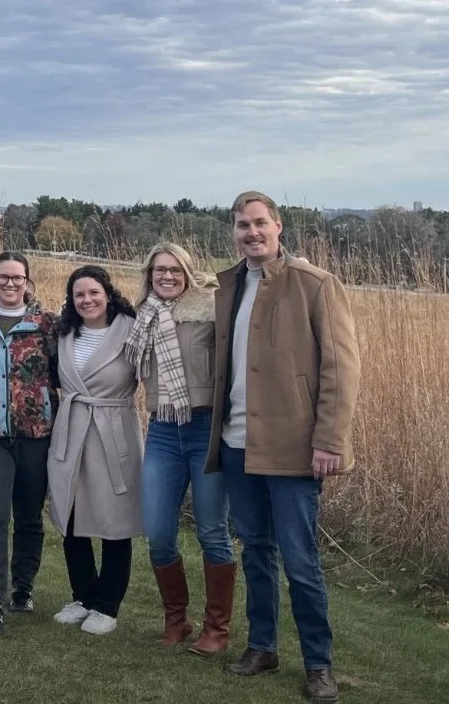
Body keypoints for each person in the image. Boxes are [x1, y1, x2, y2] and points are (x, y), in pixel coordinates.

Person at [205, 191, 361, 704]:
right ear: (233, 232)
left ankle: (318, 663)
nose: (251, 233)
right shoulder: (227, 284)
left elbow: (342, 368)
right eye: (241, 225)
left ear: (278, 227)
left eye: (259, 223)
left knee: (300, 561)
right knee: (257, 553)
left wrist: (330, 440)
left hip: (292, 448)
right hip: (237, 446)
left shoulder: (314, 284)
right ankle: (263, 646)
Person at [124, 242, 235, 654]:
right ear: (149, 275)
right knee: (157, 531)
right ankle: (177, 619)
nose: (166, 277)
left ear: (188, 271)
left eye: (174, 269)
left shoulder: (210, 310)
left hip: (206, 429)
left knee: (211, 530)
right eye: (159, 271)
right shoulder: (144, 317)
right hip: (164, 432)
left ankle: (217, 628)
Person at [0, 251, 59, 636]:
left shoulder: (45, 324)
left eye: (18, 278)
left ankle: (23, 587)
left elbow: (61, 369)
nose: (10, 284)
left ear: (28, 281)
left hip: (35, 434)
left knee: (29, 515)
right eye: (3, 277)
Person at [47, 265, 142, 636]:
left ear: (108, 292)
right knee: (72, 518)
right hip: (71, 429)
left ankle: (107, 604)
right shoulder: (64, 332)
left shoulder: (131, 331)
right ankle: (83, 596)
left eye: (93, 293)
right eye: (79, 295)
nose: (87, 300)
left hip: (112, 430)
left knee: (114, 521)